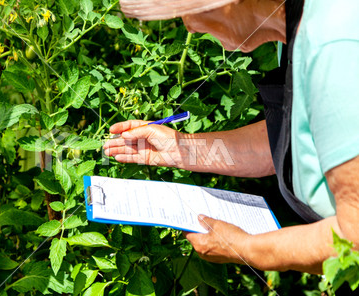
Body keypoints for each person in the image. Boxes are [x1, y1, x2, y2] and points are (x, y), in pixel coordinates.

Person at [103, 0, 359, 275]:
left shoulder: (334, 43)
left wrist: (245, 248)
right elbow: (293, 141)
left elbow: (353, 237)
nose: (190, 27)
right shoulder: (299, 30)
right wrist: (181, 149)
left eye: (186, 12)